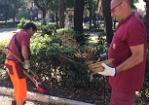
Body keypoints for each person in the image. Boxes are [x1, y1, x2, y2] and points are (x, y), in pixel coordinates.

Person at [89, 0, 147, 105]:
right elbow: (120, 48)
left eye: (113, 10)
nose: (112, 14)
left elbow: (138, 56)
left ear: (124, 4)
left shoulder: (134, 25)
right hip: (119, 83)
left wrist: (114, 71)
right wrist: (106, 56)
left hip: (125, 85)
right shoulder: (124, 22)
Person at [5, 22, 37, 105]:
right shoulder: (25, 35)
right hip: (14, 64)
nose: (32, 35)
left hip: (9, 62)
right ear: (30, 29)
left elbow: (8, 49)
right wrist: (26, 61)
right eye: (33, 33)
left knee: (17, 86)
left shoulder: (17, 34)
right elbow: (24, 49)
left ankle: (16, 102)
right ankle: (20, 103)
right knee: (21, 87)